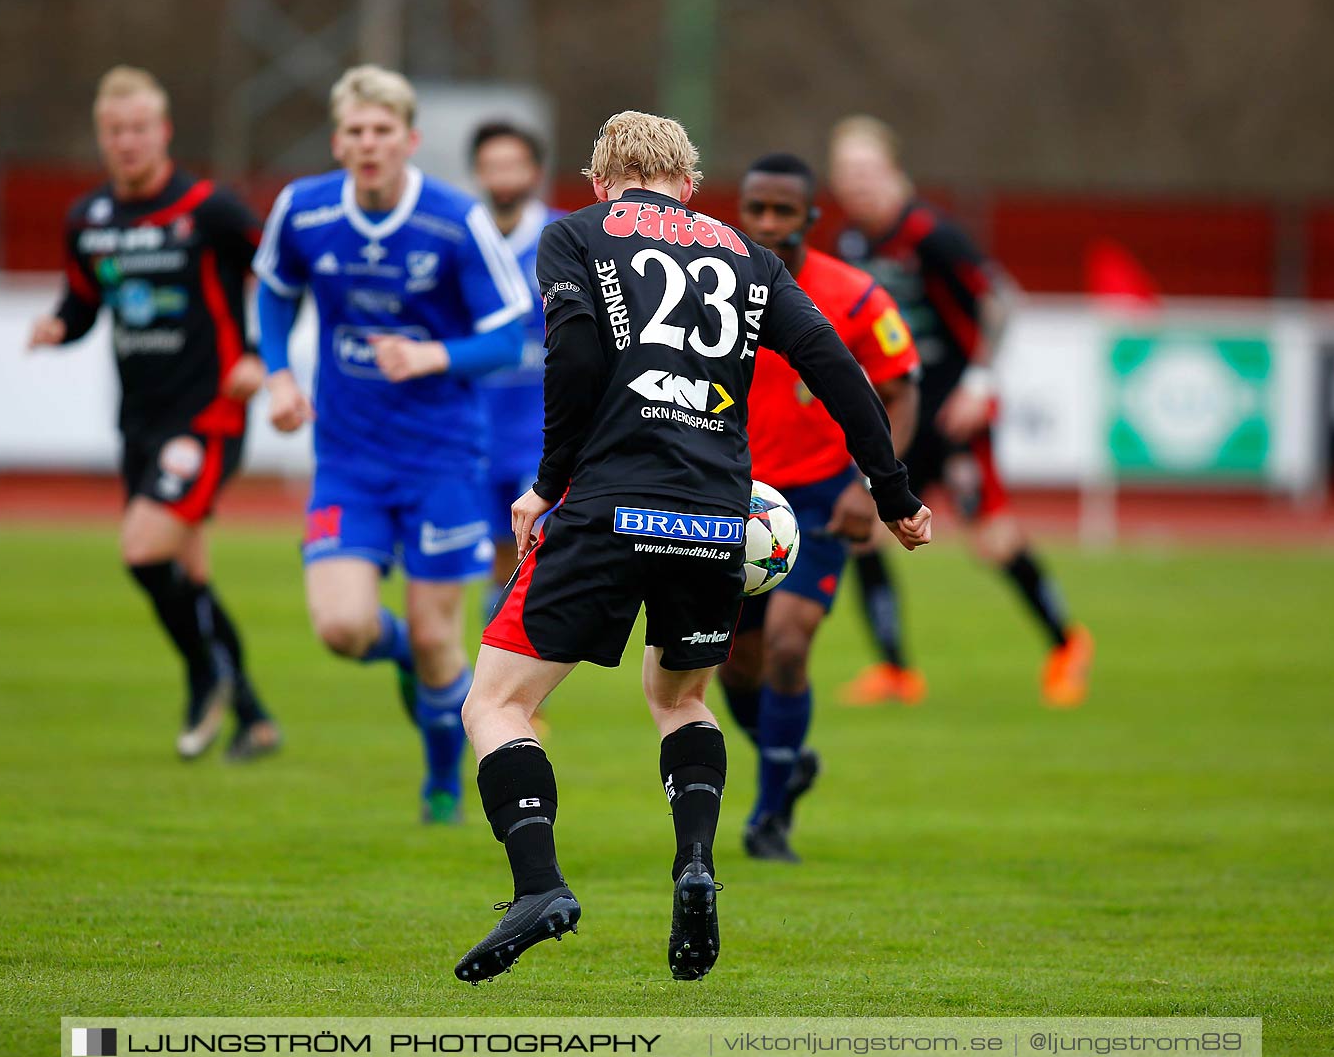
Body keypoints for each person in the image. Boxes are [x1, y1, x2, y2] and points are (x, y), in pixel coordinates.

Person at [452, 112, 932, 986]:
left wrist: (547, 485)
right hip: (718, 518)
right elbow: (835, 366)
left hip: (607, 504)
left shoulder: (577, 233)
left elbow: (574, 357)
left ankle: (538, 887)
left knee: (495, 704)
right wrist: (894, 493)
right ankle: (696, 866)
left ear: (603, 181)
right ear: (690, 182)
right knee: (680, 700)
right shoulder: (749, 258)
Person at [254, 66, 531, 824]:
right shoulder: (303, 210)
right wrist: (278, 377)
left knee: (446, 639)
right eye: (354, 132)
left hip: (444, 458)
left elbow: (507, 339)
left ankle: (442, 783)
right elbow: (274, 295)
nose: (368, 144)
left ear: (408, 140)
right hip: (348, 457)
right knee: (342, 628)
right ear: (337, 140)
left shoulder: (453, 221)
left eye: (382, 131)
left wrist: (431, 356)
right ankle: (413, 657)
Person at [28, 65, 280, 762]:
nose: (127, 141)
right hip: (138, 419)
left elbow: (283, 271)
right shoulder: (89, 219)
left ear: (163, 131)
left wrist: (259, 353)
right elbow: (83, 303)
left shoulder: (209, 208)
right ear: (101, 137)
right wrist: (57, 325)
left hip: (208, 416)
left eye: (139, 128)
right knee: (187, 574)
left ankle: (206, 677)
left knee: (143, 549)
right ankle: (254, 718)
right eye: (114, 131)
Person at [827, 115, 1094, 708]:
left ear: (894, 170)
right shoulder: (853, 242)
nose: (856, 182)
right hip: (903, 414)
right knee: (865, 532)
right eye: (845, 172)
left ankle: (1067, 644)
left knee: (992, 540)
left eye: (867, 169)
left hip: (954, 418)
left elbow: (1001, 301)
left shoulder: (931, 234)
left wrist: (978, 381)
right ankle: (897, 672)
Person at [719, 152, 921, 864]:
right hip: (729, 495)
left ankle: (769, 817)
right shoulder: (709, 288)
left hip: (815, 499)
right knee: (732, 667)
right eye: (756, 209)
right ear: (739, 212)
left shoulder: (857, 296)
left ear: (811, 217)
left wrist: (868, 486)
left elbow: (901, 390)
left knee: (788, 644)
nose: (769, 223)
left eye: (784, 211)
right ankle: (786, 759)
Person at [468, 121, 568, 611]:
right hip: (476, 432)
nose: (503, 177)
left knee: (541, 571)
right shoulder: (463, 240)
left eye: (513, 165)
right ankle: (503, 684)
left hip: (543, 436)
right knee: (499, 575)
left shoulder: (565, 238)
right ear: (477, 173)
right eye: (492, 166)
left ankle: (517, 682)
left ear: (535, 172)